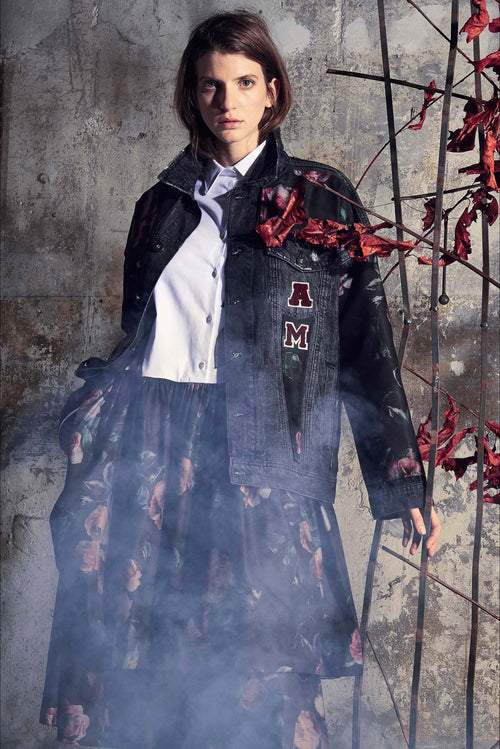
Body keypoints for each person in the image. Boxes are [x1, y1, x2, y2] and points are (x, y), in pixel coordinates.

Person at [40, 10, 441, 749]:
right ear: (192, 96)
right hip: (151, 443)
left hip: (262, 445)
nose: (227, 101)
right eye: (210, 86)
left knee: (265, 669)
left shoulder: (321, 198)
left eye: (245, 83)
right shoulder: (158, 207)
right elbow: (139, 331)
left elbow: (365, 344)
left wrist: (401, 481)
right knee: (142, 659)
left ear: (272, 91)